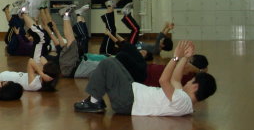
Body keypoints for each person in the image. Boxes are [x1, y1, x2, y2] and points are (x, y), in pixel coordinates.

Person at [74, 40, 217, 116]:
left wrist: (175, 58)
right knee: (117, 62)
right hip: (133, 93)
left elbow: (164, 81)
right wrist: (185, 57)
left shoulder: (181, 100)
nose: (188, 82)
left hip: (129, 101)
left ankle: (94, 102)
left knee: (108, 63)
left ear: (195, 86)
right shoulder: (185, 101)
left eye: (191, 81)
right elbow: (175, 79)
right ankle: (96, 98)